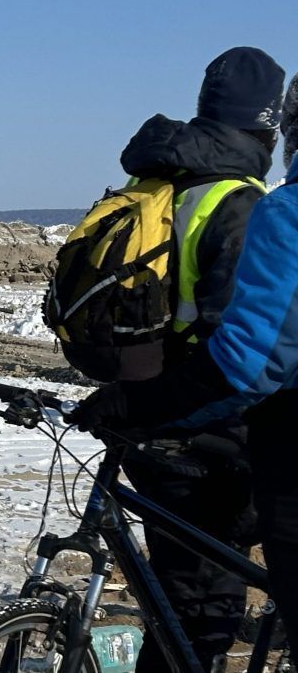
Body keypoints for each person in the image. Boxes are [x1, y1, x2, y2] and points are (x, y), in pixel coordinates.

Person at [79, 46, 285, 671]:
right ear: (268, 127)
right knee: (200, 618)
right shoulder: (240, 203)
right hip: (206, 428)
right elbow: (247, 349)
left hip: (144, 413)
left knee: (172, 602)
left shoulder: (153, 183)